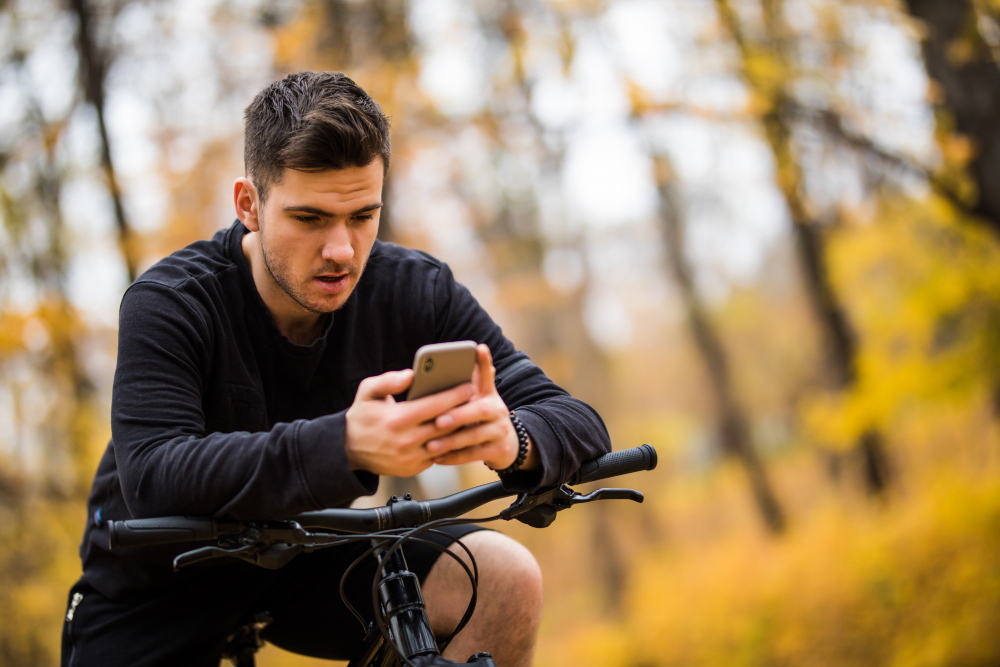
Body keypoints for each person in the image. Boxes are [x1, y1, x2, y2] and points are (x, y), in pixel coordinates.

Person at [61, 71, 611, 667]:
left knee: (504, 577)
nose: (342, 250)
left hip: (308, 556)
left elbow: (574, 419)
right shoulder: (170, 301)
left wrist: (513, 437)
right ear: (249, 204)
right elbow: (154, 477)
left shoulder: (414, 289)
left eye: (362, 216)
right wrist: (345, 444)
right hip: (159, 579)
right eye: (310, 219)